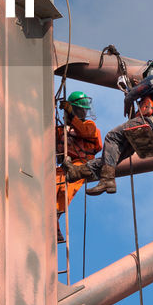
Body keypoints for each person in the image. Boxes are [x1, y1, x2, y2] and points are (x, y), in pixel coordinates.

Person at [66, 60, 153, 196]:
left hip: (150, 124)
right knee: (112, 156)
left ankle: (107, 180)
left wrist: (129, 92)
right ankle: (76, 172)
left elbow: (130, 96)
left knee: (112, 137)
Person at [55, 91, 102, 239]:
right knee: (51, 191)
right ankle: (52, 225)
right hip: (64, 165)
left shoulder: (89, 125)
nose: (84, 112)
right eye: (80, 109)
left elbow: (83, 131)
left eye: (84, 110)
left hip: (81, 164)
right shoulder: (60, 130)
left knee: (65, 190)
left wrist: (72, 117)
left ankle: (53, 220)